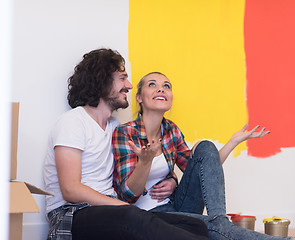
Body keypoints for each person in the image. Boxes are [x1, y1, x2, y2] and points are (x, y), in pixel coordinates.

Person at [43, 49, 209, 240]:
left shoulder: (115, 128)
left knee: (194, 225)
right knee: (132, 216)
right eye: (122, 78)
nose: (129, 86)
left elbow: (132, 173)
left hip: (112, 211)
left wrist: (172, 179)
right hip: (73, 214)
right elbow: (70, 190)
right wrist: (123, 207)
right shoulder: (73, 122)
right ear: (102, 80)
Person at [112, 72, 295, 240]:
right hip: (149, 215)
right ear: (139, 98)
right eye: (152, 84)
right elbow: (129, 194)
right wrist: (146, 161)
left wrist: (232, 142)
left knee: (206, 147)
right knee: (211, 226)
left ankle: (220, 219)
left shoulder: (170, 130)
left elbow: (205, 169)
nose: (161, 88)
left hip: (178, 205)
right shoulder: (126, 133)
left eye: (166, 86)